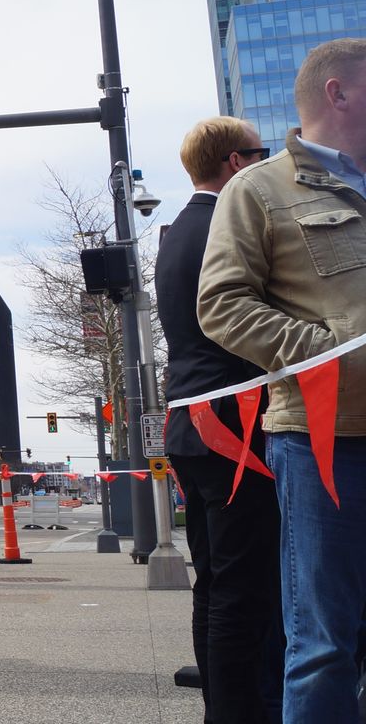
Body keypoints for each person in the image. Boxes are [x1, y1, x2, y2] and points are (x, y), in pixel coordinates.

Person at [200, 37, 366, 722]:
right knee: (326, 640)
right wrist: (331, 353)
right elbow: (220, 305)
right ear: (339, 92)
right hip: (327, 442)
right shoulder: (257, 189)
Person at [160, 115, 281, 724]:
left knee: (214, 579)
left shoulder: (180, 229)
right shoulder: (224, 228)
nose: (265, 162)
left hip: (192, 417)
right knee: (245, 584)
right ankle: (240, 711)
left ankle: (223, 704)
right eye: (260, 153)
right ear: (236, 162)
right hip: (233, 418)